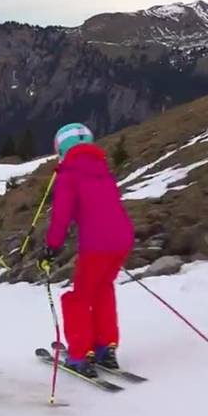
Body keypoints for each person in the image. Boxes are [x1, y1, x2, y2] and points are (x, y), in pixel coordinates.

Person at [39, 123, 135, 379]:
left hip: (96, 246)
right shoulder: (103, 170)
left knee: (78, 298)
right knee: (103, 289)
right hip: (122, 241)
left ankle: (80, 355)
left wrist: (51, 247)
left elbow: (61, 216)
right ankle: (106, 348)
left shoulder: (68, 174)